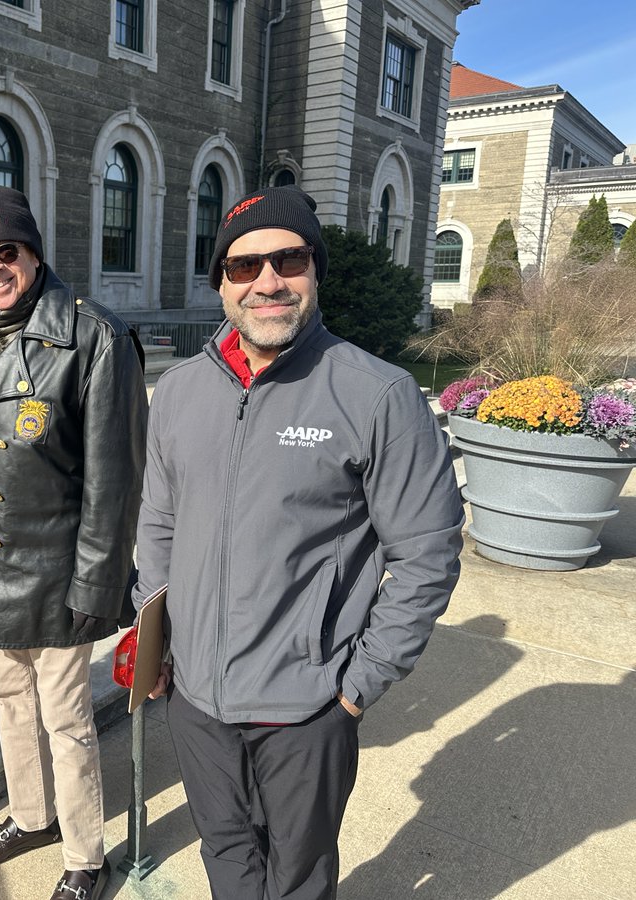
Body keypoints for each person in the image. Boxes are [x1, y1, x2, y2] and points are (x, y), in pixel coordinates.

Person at [134, 185, 465, 899]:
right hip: (194, 701)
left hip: (306, 708)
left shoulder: (377, 395)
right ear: (221, 281)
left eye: (287, 259)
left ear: (314, 269)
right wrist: (155, 645)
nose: (267, 282)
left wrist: (356, 687)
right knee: (223, 851)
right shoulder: (181, 393)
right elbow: (158, 527)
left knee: (299, 877)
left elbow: (428, 552)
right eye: (244, 267)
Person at [0, 187, 147, 900]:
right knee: (8, 699)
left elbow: (115, 480)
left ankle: (85, 856)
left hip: (60, 567)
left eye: (8, 251)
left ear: (34, 255)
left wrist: (98, 586)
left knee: (66, 718)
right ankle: (31, 815)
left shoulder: (95, 335)